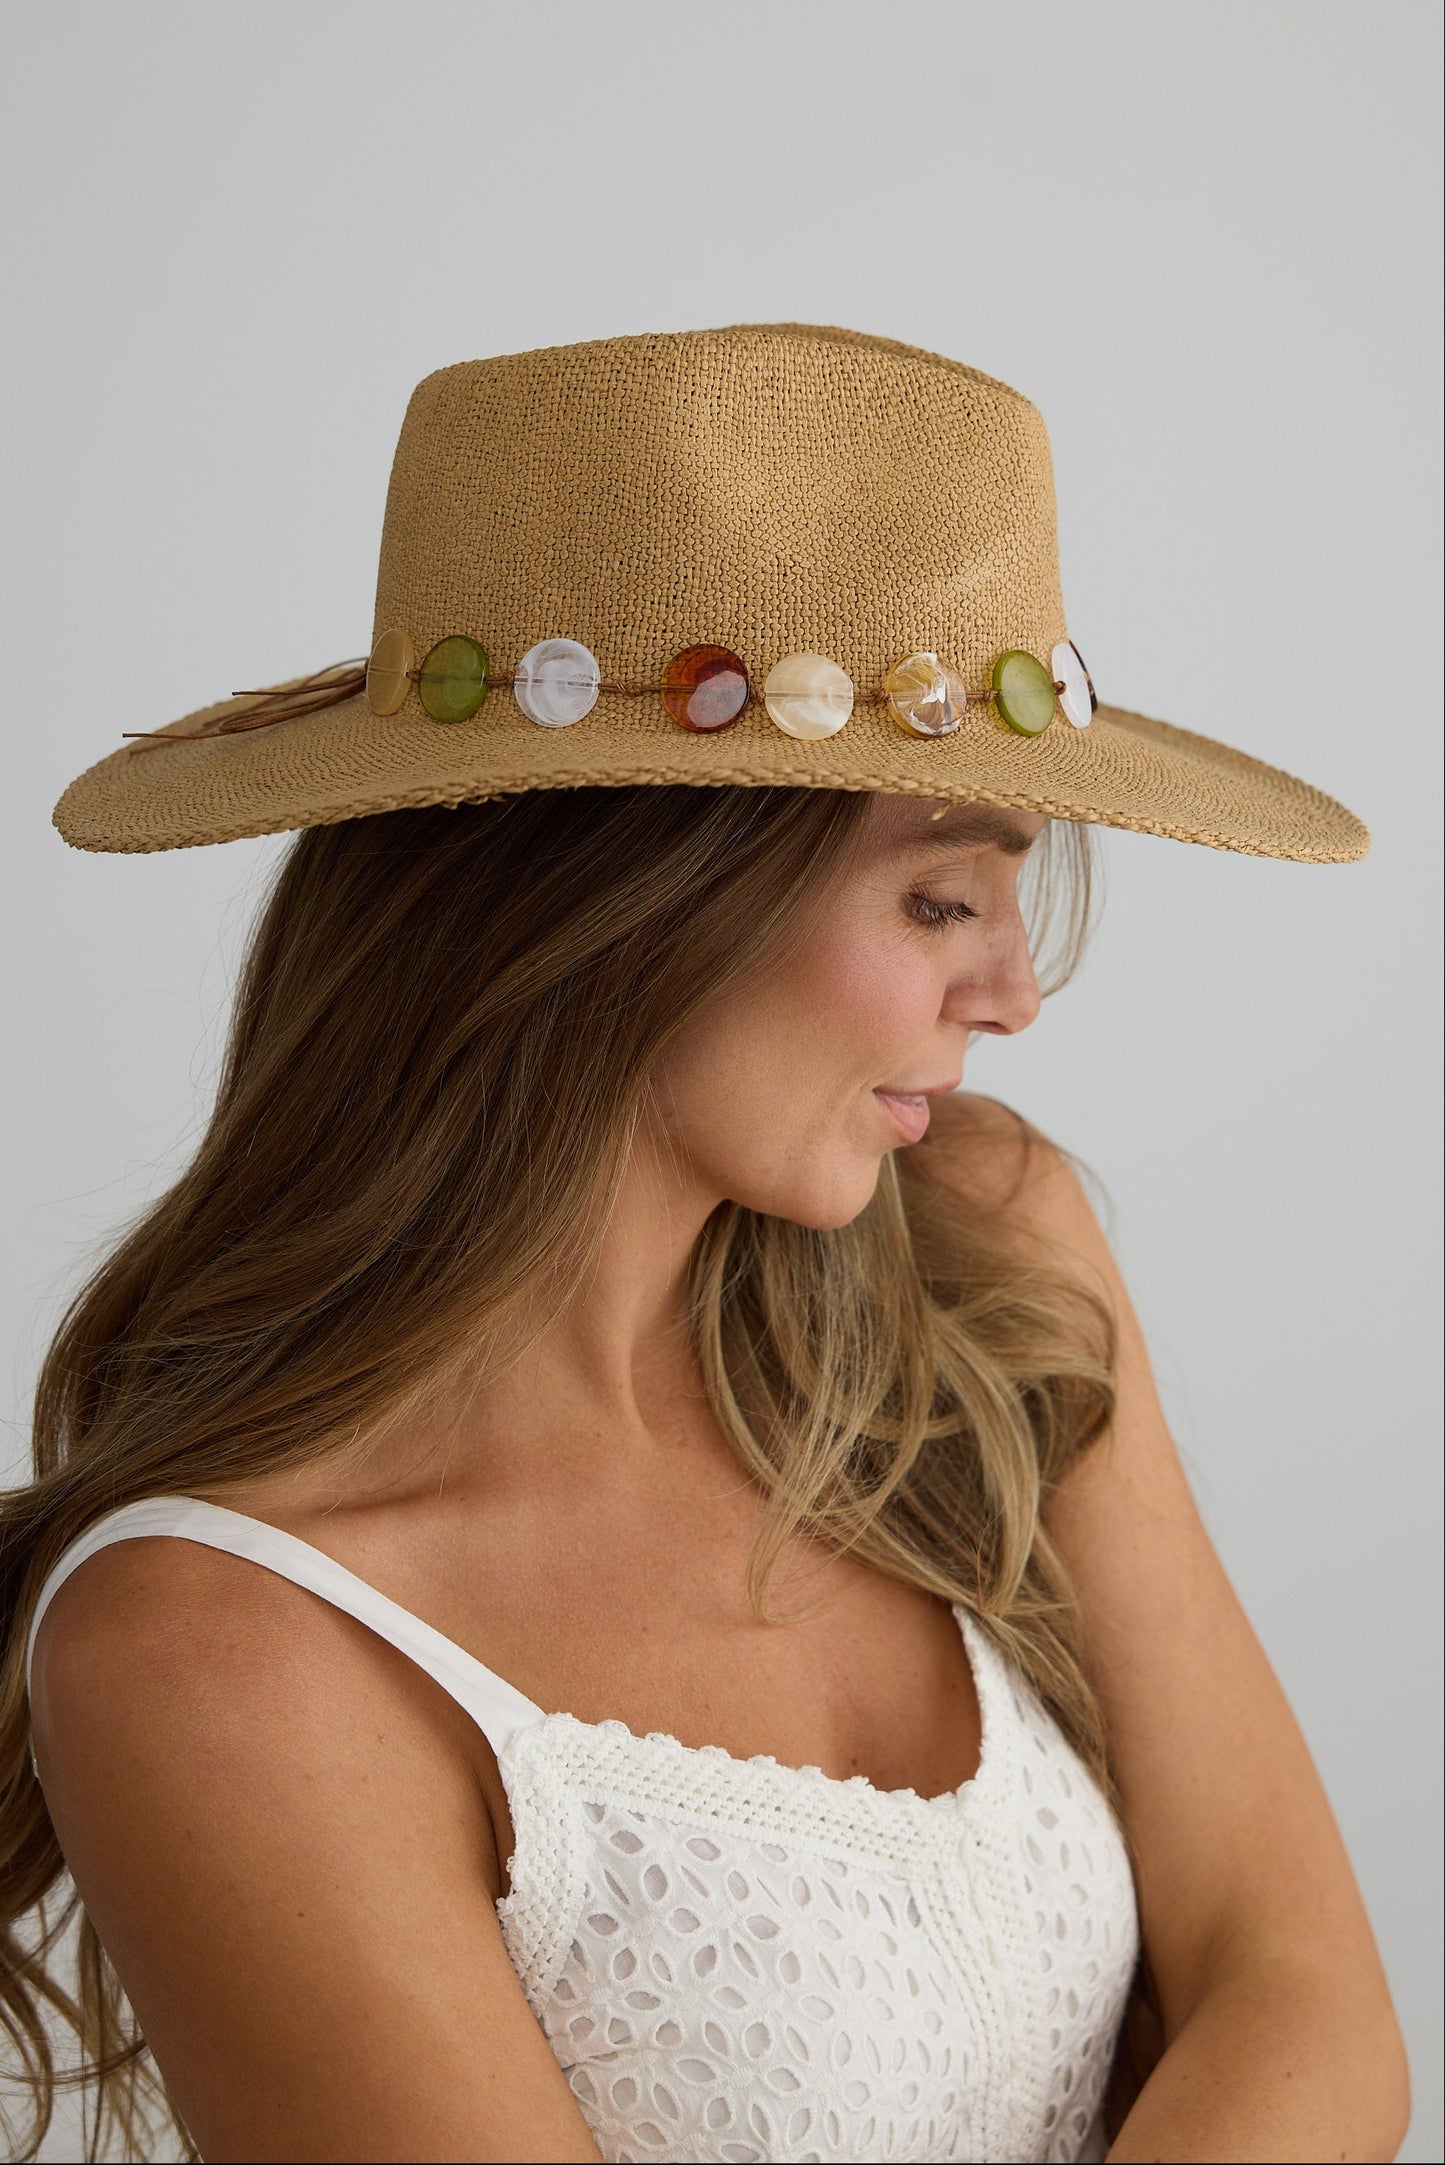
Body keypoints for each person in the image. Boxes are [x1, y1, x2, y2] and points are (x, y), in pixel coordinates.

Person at [1, 325, 1408, 2165]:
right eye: (935, 893)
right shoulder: (217, 1646)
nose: (1011, 989)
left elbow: (1301, 1990)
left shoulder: (982, 1269)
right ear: (626, 900)